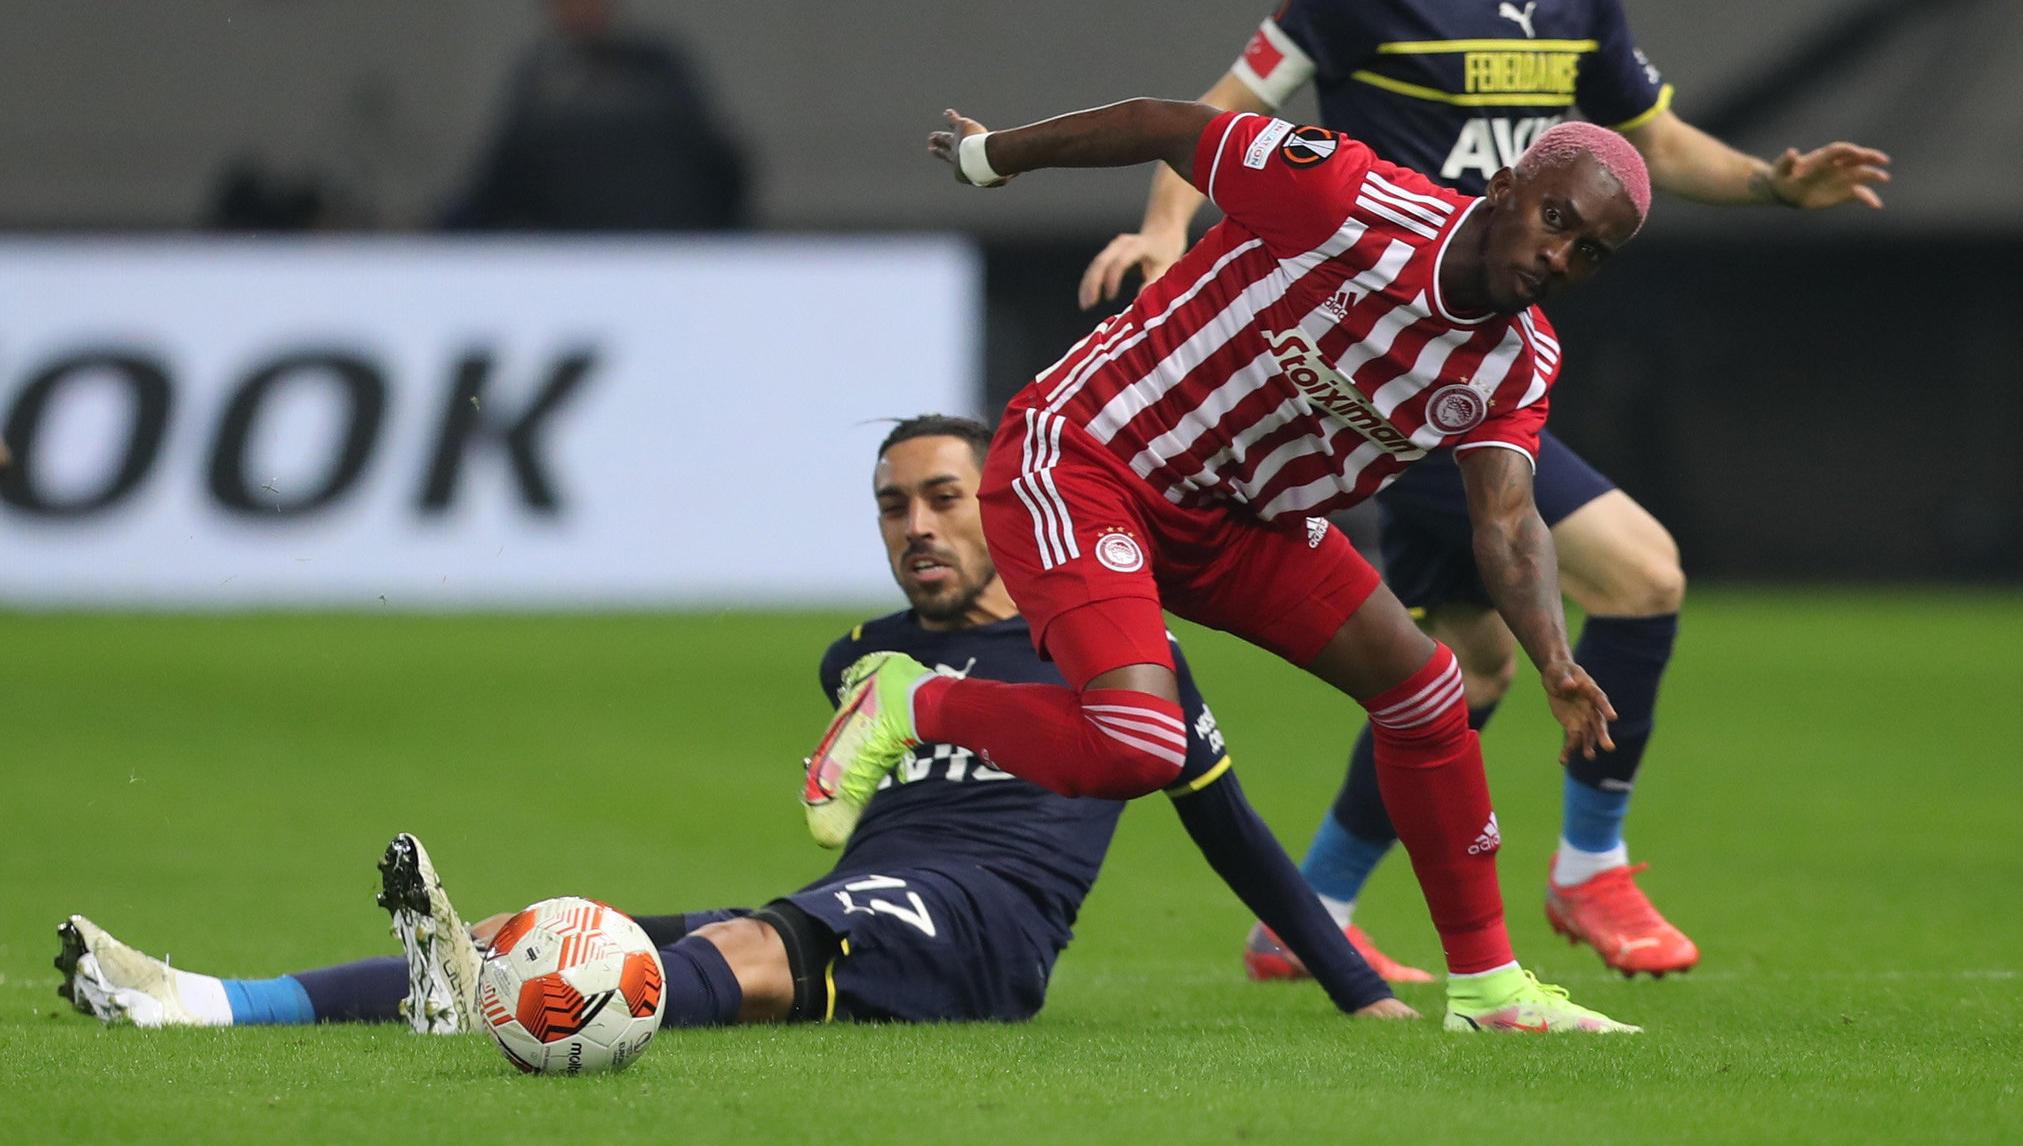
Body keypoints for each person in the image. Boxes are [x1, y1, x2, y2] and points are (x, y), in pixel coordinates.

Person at [1072, 0, 1891, 981]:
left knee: (1470, 667)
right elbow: (1224, 112)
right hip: (1380, 364)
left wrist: (1774, 184)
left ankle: (1314, 912)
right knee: (1642, 572)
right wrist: (1160, 231)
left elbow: (1652, 140)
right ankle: (1591, 871)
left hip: (1472, 366)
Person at [55, 415, 1415, 1033]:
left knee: (743, 947)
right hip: (872, 888)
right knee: (560, 931)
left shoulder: (1113, 644)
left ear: (1009, 505)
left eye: (944, 495)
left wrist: (1354, 983)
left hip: (990, 919)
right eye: (891, 503)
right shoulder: (866, 653)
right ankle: (211, 1000)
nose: (916, 524)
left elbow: (1222, 820)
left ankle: (465, 1016)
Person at [805, 101, 1651, 1034]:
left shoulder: (1516, 361)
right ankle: (908, 701)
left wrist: (1553, 659)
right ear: (1504, 189)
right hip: (1091, 460)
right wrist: (990, 156)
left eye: (1592, 254)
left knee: (1425, 692)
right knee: (1138, 743)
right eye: (1557, 220)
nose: (1561, 257)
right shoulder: (1345, 195)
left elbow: (1507, 519)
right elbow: (1166, 124)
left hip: (1238, 525)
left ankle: (1488, 990)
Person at [440, 0, 751, 233]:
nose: (583, 6)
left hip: (662, 243)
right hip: (569, 251)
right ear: (553, 3)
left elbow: (716, 160)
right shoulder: (539, 79)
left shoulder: (659, 67)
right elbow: (501, 175)